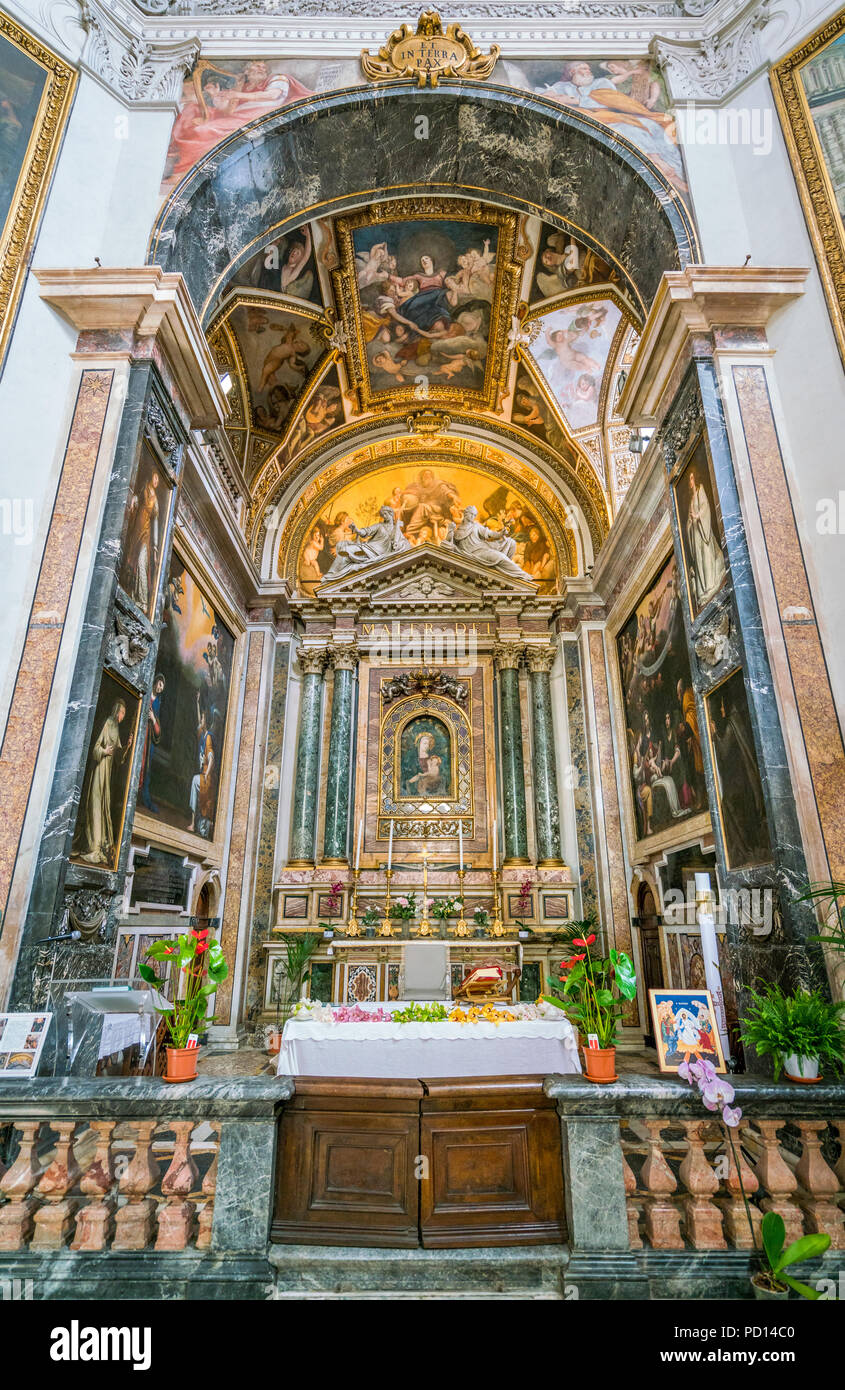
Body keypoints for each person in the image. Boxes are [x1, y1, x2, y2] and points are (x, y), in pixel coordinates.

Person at [78, 699, 129, 865]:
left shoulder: (117, 727)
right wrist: (104, 751)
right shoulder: (108, 722)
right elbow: (95, 749)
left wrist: (128, 746)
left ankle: (100, 845)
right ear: (116, 711)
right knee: (95, 805)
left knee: (103, 807)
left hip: (107, 774)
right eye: (121, 712)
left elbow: (119, 759)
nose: (121, 716)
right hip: (99, 769)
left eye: (123, 714)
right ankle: (94, 846)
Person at [324, 506, 410, 578]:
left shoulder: (397, 529)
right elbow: (365, 532)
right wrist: (357, 530)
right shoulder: (379, 526)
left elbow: (403, 544)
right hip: (370, 549)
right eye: (382, 515)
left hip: (382, 555)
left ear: (391, 514)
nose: (384, 516)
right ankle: (332, 574)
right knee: (346, 549)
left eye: (385, 514)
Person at [448, 505, 532, 580]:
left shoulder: (476, 526)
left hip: (482, 549)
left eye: (474, 515)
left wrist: (501, 533)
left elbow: (490, 533)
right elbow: (450, 545)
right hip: (475, 554)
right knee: (500, 556)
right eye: (471, 514)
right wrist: (450, 531)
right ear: (466, 513)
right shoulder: (457, 532)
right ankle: (521, 575)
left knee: (510, 542)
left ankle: (509, 573)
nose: (473, 516)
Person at [685, 467, 726, 609]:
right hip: (696, 534)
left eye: (691, 478)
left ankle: (711, 584)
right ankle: (704, 588)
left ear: (695, 477)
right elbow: (688, 522)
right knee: (700, 561)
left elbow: (705, 507)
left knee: (706, 556)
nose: (690, 481)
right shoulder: (691, 499)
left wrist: (697, 516)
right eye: (689, 479)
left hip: (703, 532)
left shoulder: (700, 490)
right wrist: (690, 523)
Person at [123, 469, 160, 612]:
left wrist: (156, 546)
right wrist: (134, 499)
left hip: (146, 532)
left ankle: (143, 601)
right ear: (151, 477)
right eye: (155, 477)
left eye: (158, 479)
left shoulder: (155, 500)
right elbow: (137, 498)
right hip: (138, 527)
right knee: (133, 559)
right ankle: (133, 593)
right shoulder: (145, 488)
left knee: (141, 561)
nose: (156, 481)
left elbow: (155, 522)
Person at [139, 674, 165, 812]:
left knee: (146, 766)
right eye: (160, 685)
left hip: (149, 738)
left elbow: (157, 724)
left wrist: (153, 718)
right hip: (141, 731)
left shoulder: (158, 703)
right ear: (156, 682)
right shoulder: (148, 694)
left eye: (163, 687)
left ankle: (144, 796)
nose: (160, 688)